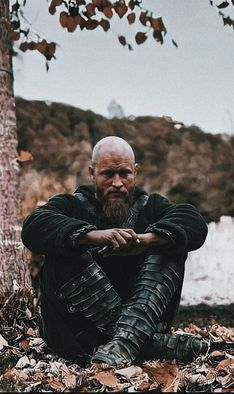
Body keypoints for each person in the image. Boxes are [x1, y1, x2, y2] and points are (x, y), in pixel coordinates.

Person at [21, 136, 208, 368]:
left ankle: (126, 342)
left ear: (135, 173)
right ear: (92, 173)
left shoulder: (153, 207)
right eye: (108, 174)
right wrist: (90, 235)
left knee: (171, 238)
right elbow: (33, 227)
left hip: (145, 321)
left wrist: (147, 240)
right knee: (63, 240)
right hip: (77, 336)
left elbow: (194, 222)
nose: (117, 183)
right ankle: (145, 342)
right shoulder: (71, 205)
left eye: (124, 174)